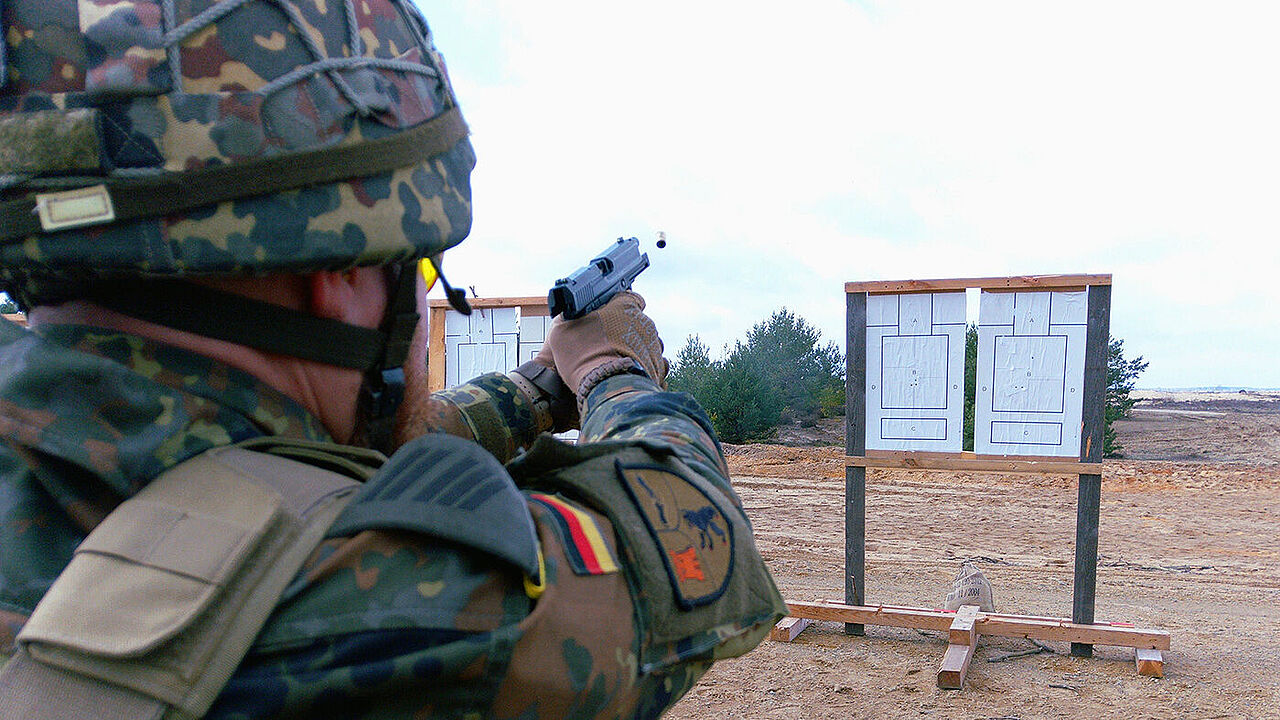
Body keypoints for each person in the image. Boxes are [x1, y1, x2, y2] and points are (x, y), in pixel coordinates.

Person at [0, 1, 785, 719]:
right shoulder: (376, 600)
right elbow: (698, 550)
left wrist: (540, 387)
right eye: (418, 266)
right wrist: (614, 371)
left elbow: (298, 466)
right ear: (341, 272)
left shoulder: (67, 446)